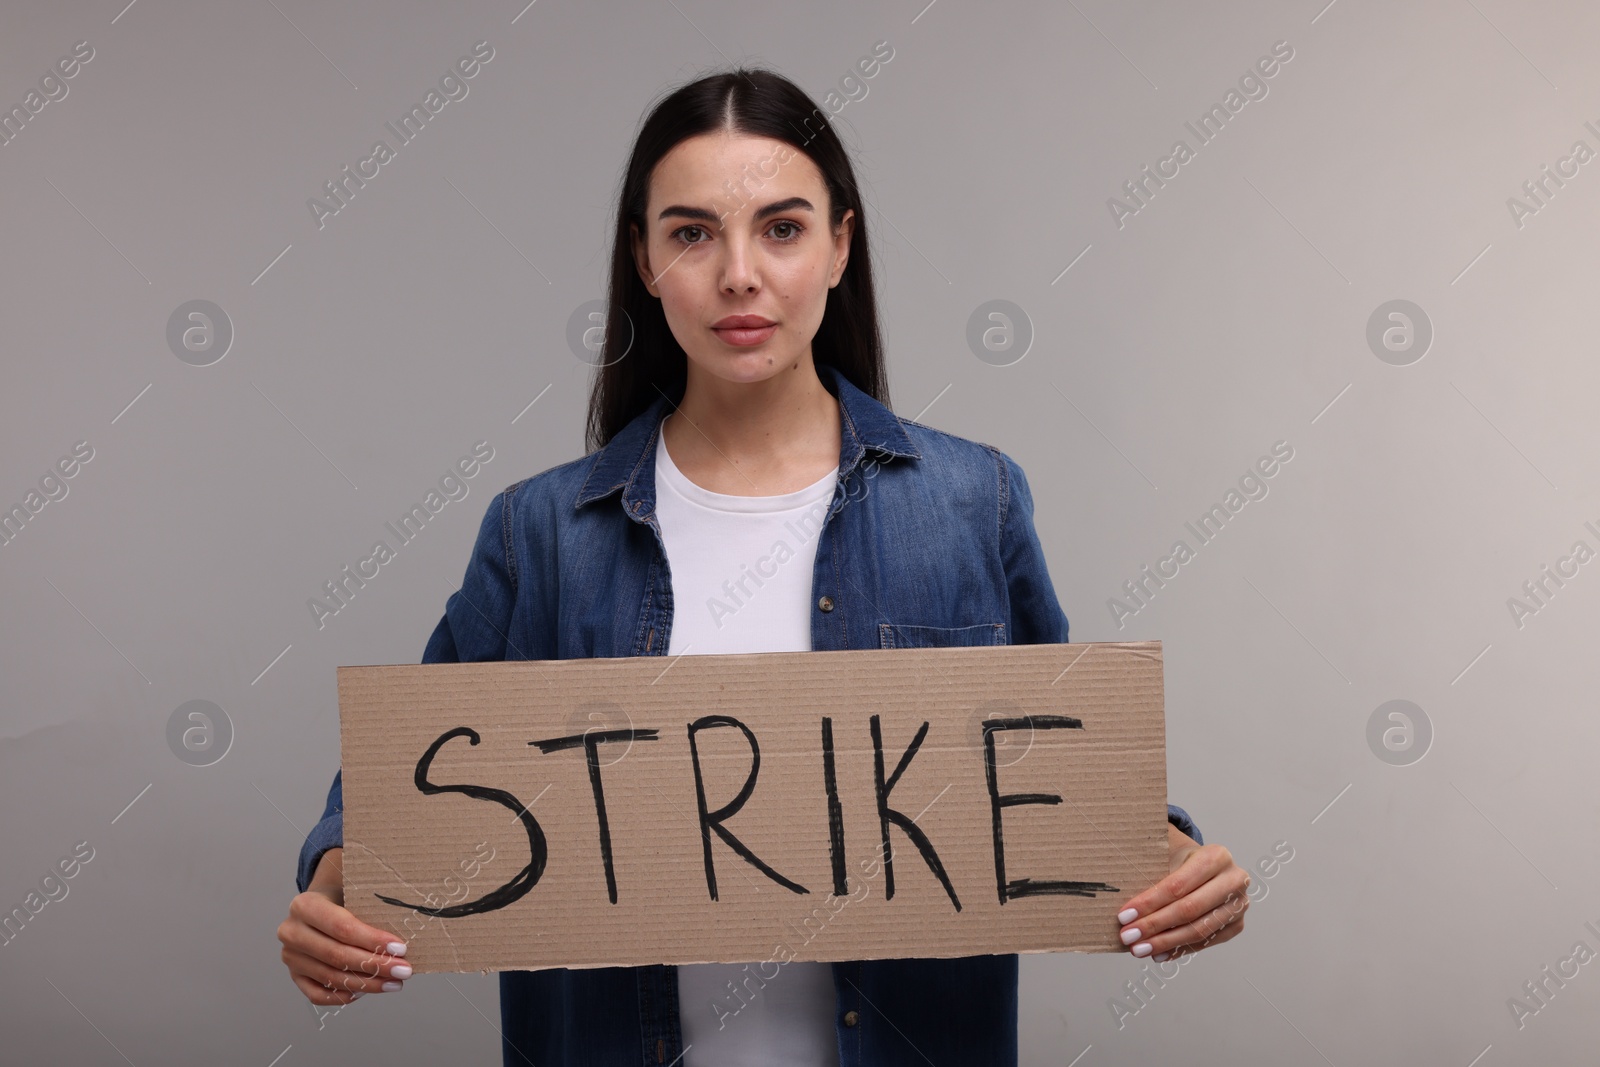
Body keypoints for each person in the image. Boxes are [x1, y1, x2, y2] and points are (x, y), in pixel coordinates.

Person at [278, 67, 1250, 1066]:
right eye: (693, 232)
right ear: (646, 260)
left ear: (839, 244)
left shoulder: (973, 498)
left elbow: (1061, 769)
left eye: (781, 228)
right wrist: (331, 889)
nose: (738, 272)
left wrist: (1180, 865)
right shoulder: (541, 530)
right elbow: (407, 788)